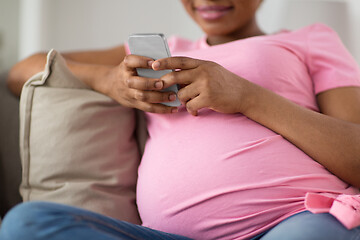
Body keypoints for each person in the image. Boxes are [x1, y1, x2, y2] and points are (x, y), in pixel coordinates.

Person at [1, 0, 360, 239]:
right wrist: (106, 80)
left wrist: (246, 96)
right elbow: (22, 72)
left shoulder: (310, 40)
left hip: (293, 221)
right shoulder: (157, 52)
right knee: (25, 224)